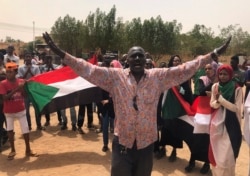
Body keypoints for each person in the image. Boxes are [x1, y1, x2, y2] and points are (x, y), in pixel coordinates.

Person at [43, 32, 231, 176]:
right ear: (127, 60)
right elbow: (87, 69)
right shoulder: (115, 77)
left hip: (145, 145)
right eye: (133, 56)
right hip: (122, 144)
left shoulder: (158, 77)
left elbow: (185, 68)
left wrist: (212, 55)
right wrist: (62, 54)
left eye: (141, 56)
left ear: (146, 59)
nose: (138, 59)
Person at [0, 62, 39, 160]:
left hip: (20, 110)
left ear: (16, 72)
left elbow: (25, 96)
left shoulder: (21, 81)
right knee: (10, 131)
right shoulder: (3, 84)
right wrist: (18, 88)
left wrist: (22, 89)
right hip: (8, 111)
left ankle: (28, 149)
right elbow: (5, 98)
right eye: (7, 72)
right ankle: (13, 150)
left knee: (25, 130)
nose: (8, 74)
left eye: (10, 72)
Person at [209, 64, 243, 176]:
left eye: (225, 74)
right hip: (216, 124)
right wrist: (218, 101)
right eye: (220, 74)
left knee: (227, 156)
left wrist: (222, 100)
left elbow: (236, 108)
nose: (222, 76)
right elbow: (212, 104)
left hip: (231, 124)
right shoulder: (215, 86)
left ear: (230, 75)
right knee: (217, 153)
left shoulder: (237, 88)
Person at [186, 61, 218, 174]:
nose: (207, 70)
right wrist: (213, 84)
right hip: (201, 113)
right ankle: (192, 161)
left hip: (213, 112)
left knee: (209, 140)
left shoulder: (220, 81)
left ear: (215, 69)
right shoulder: (202, 79)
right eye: (206, 68)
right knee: (197, 138)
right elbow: (201, 92)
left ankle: (206, 163)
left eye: (210, 68)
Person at [160, 55, 193, 162]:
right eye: (174, 60)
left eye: (178, 60)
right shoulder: (167, 74)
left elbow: (187, 93)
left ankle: (174, 151)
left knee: (175, 130)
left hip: (177, 107)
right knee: (165, 129)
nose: (176, 62)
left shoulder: (183, 76)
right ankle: (163, 148)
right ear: (171, 62)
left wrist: (179, 88)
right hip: (165, 105)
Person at [17, 52, 42, 130]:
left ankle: (39, 125)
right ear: (24, 58)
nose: (28, 58)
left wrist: (29, 71)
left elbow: (37, 78)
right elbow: (20, 79)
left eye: (29, 56)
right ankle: (29, 125)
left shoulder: (36, 67)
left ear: (31, 58)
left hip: (34, 90)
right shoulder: (20, 68)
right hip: (25, 91)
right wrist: (27, 72)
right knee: (26, 110)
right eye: (26, 57)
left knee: (37, 108)